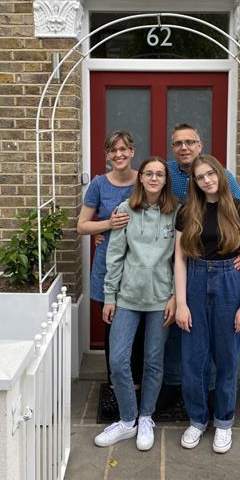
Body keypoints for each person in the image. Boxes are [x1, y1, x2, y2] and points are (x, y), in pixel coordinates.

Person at [94, 157, 179, 451]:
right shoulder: (125, 210)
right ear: (140, 178)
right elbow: (114, 256)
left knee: (154, 361)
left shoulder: (176, 213)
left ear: (165, 180)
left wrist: (175, 296)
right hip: (127, 298)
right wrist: (109, 296)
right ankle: (127, 419)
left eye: (159, 174)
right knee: (118, 361)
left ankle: (146, 417)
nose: (154, 178)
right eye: (149, 173)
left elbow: (181, 259)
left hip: (160, 300)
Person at [174, 155, 240, 454]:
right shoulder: (187, 212)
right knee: (193, 361)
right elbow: (180, 260)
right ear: (194, 182)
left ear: (220, 175)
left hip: (228, 287)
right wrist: (181, 303)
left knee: (226, 360)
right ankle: (197, 420)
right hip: (195, 281)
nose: (207, 180)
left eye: (211, 174)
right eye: (200, 177)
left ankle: (223, 422)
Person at [161, 123, 240, 401]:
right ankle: (177, 387)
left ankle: (209, 395)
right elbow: (141, 201)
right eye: (178, 143)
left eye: (190, 142)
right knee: (178, 327)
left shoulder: (224, 177)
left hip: (213, 264)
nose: (184, 147)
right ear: (173, 148)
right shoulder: (167, 173)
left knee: (212, 334)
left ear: (200, 144)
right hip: (173, 258)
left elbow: (238, 217)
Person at [77, 130, 139, 419]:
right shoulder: (99, 185)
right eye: (113, 150)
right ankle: (115, 387)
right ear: (107, 154)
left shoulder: (146, 179)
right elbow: (82, 225)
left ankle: (136, 389)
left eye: (124, 149)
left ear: (132, 151)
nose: (119, 155)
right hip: (107, 267)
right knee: (111, 329)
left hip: (139, 267)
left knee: (138, 332)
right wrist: (106, 226)